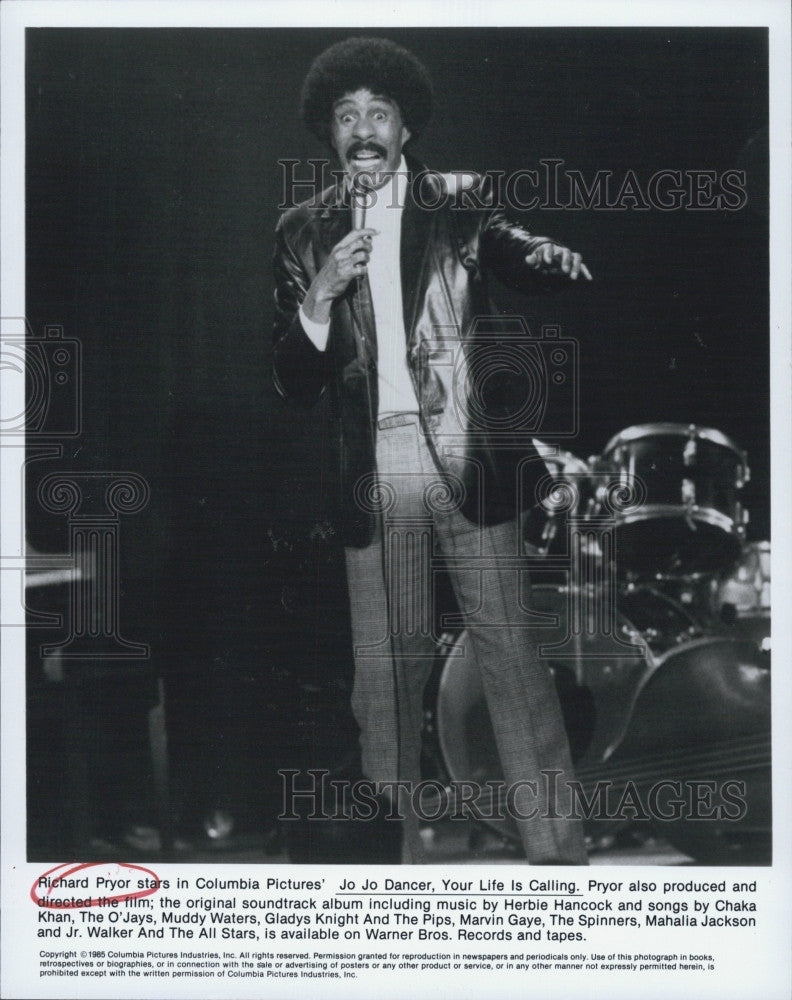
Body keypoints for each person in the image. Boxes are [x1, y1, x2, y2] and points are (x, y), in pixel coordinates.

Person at [273, 36, 591, 864]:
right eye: (348, 116)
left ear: (406, 127)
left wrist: (548, 258)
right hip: (374, 472)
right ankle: (394, 865)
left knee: (513, 663)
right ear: (330, 132)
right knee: (384, 680)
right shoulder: (303, 230)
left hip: (466, 457)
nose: (364, 128)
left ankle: (556, 855)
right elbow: (289, 381)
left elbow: (511, 247)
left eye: (380, 113)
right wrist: (318, 296)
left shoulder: (459, 199)